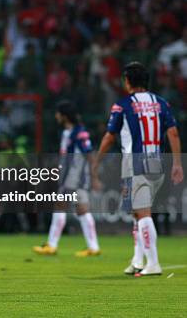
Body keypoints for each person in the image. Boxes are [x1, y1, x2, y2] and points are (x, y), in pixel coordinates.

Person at [93, 62, 183, 276]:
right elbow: (173, 134)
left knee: (142, 214)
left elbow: (109, 137)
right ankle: (137, 259)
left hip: (134, 165)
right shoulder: (162, 103)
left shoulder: (122, 106)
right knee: (137, 213)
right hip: (158, 164)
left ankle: (153, 263)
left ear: (127, 81)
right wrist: (178, 163)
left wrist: (96, 161)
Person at [33, 101, 101, 257]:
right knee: (82, 209)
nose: (56, 116)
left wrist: (94, 177)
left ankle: (52, 245)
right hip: (73, 176)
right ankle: (93, 246)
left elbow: (89, 155)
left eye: (58, 113)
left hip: (73, 177)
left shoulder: (78, 133)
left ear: (64, 116)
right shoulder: (68, 132)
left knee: (60, 206)